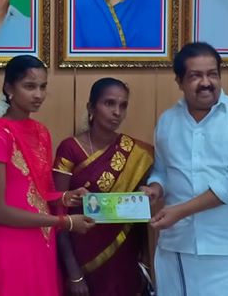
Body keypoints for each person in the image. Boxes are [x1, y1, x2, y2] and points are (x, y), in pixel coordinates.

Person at [143, 42, 228, 296]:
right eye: (196, 76)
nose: (206, 83)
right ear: (179, 81)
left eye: (212, 74)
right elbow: (162, 170)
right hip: (178, 248)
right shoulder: (168, 121)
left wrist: (182, 210)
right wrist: (155, 188)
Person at [0, 55, 95, 295]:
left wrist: (65, 197)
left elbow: (38, 193)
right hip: (10, 244)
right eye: (29, 86)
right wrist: (65, 222)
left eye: (42, 86)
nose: (38, 94)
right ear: (9, 88)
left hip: (41, 240)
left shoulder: (41, 132)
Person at [53, 78, 155, 296]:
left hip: (124, 258)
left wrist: (150, 191)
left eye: (123, 105)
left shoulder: (138, 153)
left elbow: (141, 214)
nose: (117, 112)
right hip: (81, 259)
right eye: (109, 103)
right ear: (91, 108)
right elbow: (58, 211)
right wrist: (74, 273)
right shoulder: (70, 149)